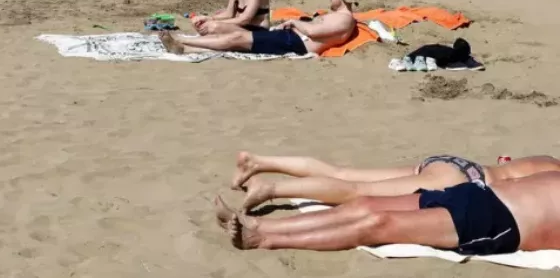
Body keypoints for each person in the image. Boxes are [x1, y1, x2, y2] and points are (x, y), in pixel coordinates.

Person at [216, 170, 560, 255]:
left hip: (500, 223)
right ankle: (258, 222)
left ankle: (264, 239)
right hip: (477, 193)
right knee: (363, 205)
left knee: (378, 223)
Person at [230, 151, 560, 212]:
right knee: (355, 192)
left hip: (453, 162)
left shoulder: (549, 160)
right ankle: (271, 188)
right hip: (462, 177)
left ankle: (258, 162)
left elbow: (508, 165)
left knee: (344, 173)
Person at [160, 0, 357, 56]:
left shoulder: (345, 19)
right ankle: (185, 48)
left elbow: (313, 31)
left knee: (238, 38)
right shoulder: (336, 15)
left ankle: (183, 40)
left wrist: (293, 21)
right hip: (290, 37)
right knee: (235, 36)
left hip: (295, 43)